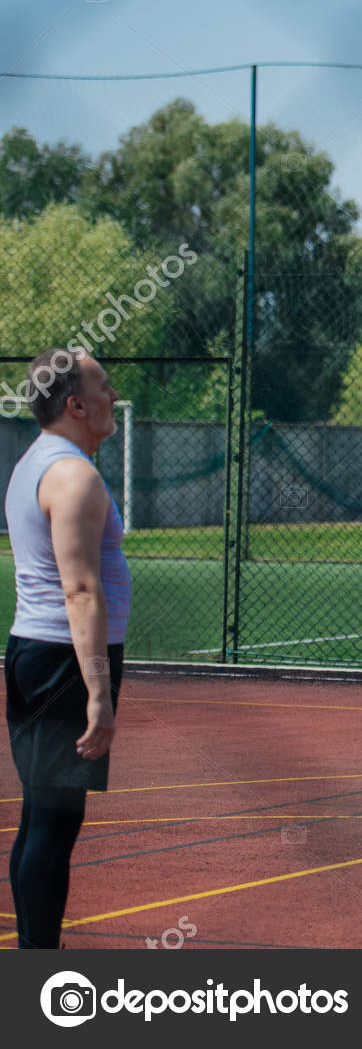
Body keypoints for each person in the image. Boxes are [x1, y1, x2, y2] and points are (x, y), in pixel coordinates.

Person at [4, 349, 128, 948]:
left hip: (42, 652)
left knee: (42, 818)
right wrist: (99, 692)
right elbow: (80, 590)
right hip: (63, 663)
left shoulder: (38, 463)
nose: (113, 397)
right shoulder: (74, 475)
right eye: (104, 387)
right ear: (76, 404)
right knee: (54, 823)